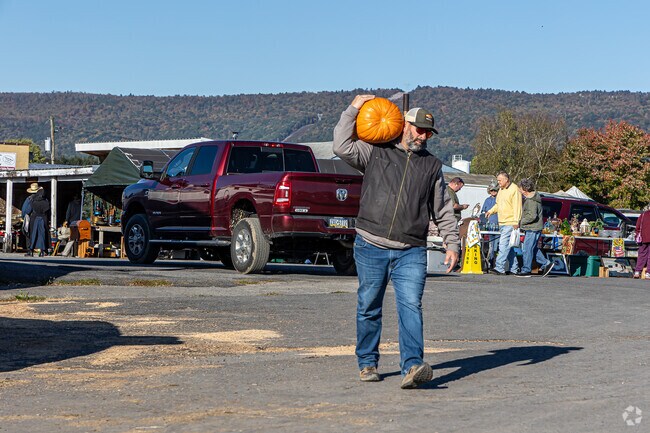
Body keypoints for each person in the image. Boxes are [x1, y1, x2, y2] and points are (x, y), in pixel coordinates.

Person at [333, 95, 460, 389]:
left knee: (411, 307)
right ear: (404, 125)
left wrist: (452, 243)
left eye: (428, 132)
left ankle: (413, 366)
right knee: (369, 305)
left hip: (411, 249)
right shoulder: (375, 152)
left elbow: (441, 208)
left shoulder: (431, 166)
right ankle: (367, 363)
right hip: (370, 244)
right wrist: (353, 109)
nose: (424, 136)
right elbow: (341, 145)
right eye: (419, 130)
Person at [485, 171, 522, 276]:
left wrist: (516, 221)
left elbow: (517, 207)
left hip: (510, 222)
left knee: (503, 245)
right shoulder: (500, 190)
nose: (498, 182)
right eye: (498, 180)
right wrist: (490, 211)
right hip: (502, 222)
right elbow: (498, 204)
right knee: (508, 247)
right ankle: (514, 268)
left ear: (506, 179)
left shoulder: (514, 189)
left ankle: (499, 267)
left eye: (500, 180)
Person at [516, 178, 554, 277]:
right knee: (532, 248)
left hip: (532, 228)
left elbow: (532, 216)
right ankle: (546, 263)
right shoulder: (532, 199)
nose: (519, 190)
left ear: (524, 189)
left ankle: (526, 269)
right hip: (533, 228)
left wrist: (520, 222)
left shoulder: (532, 201)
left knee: (527, 249)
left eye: (520, 188)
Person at [26, 186, 50, 257]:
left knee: (33, 234)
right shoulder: (46, 201)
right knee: (42, 234)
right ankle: (42, 251)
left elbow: (27, 210)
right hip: (43, 218)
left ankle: (31, 251)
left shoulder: (32, 200)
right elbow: (48, 211)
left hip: (34, 218)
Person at [481, 180, 500, 268]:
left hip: (498, 226)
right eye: (492, 190)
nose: (493, 192)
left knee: (497, 246)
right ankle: (490, 262)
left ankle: (496, 263)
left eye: (495, 190)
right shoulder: (487, 200)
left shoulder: (500, 199)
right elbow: (483, 213)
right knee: (490, 246)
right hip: (489, 227)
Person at [633, 204, 650, 279]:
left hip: (643, 238)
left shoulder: (643, 215)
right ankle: (648, 273)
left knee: (642, 255)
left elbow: (637, 227)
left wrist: (637, 235)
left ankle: (637, 271)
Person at [21, 182, 39, 250]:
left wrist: (23, 217)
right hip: (40, 217)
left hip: (31, 218)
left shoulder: (29, 199)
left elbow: (25, 210)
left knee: (28, 233)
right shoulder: (42, 198)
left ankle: (29, 248)